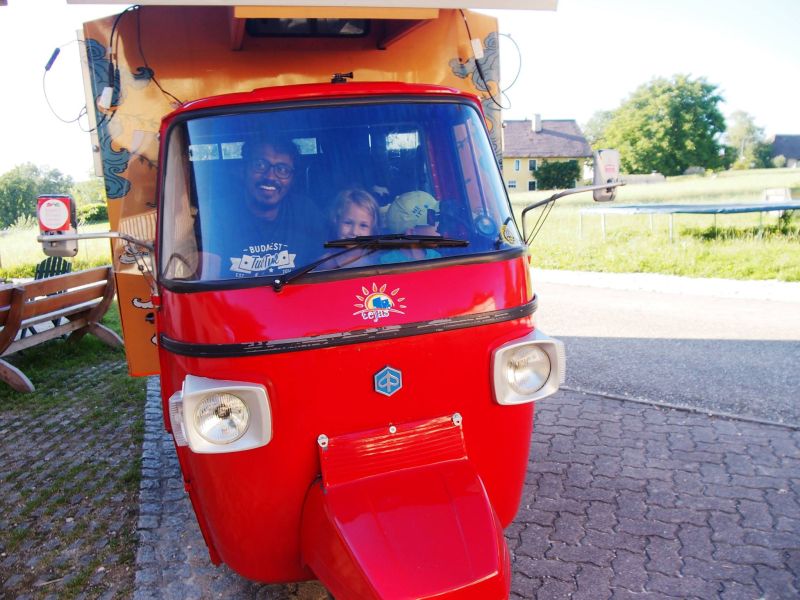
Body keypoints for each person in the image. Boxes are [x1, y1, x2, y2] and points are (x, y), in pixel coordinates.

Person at [213, 137, 323, 280]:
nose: (270, 176)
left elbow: (325, 266)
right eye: (260, 165)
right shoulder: (218, 215)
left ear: (292, 180)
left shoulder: (306, 211)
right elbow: (205, 281)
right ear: (243, 170)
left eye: (282, 170)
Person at [322, 188, 380, 269]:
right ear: (336, 221)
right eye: (348, 223)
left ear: (372, 230)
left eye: (363, 225)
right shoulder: (325, 263)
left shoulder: (379, 261)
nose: (354, 232)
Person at [379, 190, 442, 264]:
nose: (440, 225)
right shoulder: (387, 262)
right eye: (433, 220)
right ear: (411, 233)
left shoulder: (436, 256)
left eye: (439, 218)